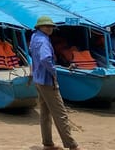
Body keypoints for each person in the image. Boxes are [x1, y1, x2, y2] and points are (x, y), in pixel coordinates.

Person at [29, 16, 81, 150]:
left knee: (45, 112)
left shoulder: (35, 37)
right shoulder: (44, 41)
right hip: (47, 80)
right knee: (60, 113)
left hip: (38, 79)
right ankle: (72, 145)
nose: (49, 28)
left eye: (51, 26)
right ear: (39, 27)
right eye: (46, 26)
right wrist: (53, 71)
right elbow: (46, 58)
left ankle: (48, 143)